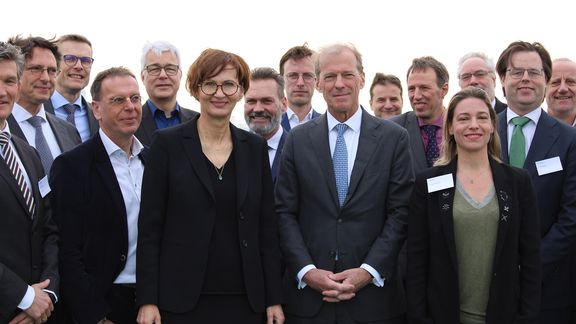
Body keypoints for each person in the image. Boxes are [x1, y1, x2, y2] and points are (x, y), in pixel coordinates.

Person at [136, 48, 284, 324]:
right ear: (195, 89)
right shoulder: (166, 144)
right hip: (181, 301)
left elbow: (266, 228)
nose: (219, 93)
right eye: (210, 84)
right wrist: (148, 299)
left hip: (246, 300)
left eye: (229, 84)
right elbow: (149, 229)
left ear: (240, 91)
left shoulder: (254, 148)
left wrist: (273, 298)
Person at [276, 42, 413, 323]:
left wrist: (367, 271)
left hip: (374, 301)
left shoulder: (394, 139)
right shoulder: (297, 140)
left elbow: (401, 212)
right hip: (309, 302)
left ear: (362, 78)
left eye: (347, 75)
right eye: (329, 76)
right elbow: (284, 212)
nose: (339, 84)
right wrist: (306, 271)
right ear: (318, 84)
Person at [406, 87, 541, 324]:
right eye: (463, 118)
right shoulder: (427, 183)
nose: (474, 125)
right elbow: (417, 259)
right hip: (444, 316)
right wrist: (420, 318)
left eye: (481, 117)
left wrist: (527, 316)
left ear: (492, 125)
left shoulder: (518, 182)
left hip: (504, 315)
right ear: (450, 127)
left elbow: (530, 257)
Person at [50, 67, 144, 323]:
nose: (130, 107)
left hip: (150, 302)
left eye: (135, 98)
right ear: (97, 109)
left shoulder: (153, 160)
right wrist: (94, 315)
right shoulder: (72, 166)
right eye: (117, 100)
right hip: (102, 303)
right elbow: (67, 250)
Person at [495, 41, 576, 324]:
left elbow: (572, 215)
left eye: (534, 72)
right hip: (485, 284)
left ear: (546, 80)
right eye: (517, 72)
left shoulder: (569, 140)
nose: (526, 79)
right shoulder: (480, 130)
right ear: (502, 80)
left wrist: (530, 264)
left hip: (549, 287)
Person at [0, 41, 58, 323]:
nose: (3, 91)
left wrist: (46, 294)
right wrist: (22, 297)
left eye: (9, 80)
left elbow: (49, 228)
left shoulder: (28, 153)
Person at [6, 35, 81, 174]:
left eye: (52, 71)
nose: (46, 78)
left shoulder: (69, 131)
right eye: (36, 69)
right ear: (16, 72)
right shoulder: (3, 129)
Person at [391, 56, 449, 172]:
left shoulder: (462, 127)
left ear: (444, 89)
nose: (416, 96)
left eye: (424, 88)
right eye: (411, 89)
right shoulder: (392, 130)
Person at [135, 40, 198, 146]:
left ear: (180, 75)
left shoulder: (198, 122)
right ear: (142, 77)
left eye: (170, 68)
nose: (163, 75)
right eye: (155, 69)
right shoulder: (130, 122)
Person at [45, 34, 99, 142]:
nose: (78, 66)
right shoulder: (36, 112)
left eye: (85, 60)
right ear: (55, 63)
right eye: (70, 59)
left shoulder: (99, 115)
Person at [244, 67, 287, 182]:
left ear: (283, 104)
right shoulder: (231, 149)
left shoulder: (299, 152)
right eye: (251, 101)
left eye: (266, 101)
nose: (258, 109)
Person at [279, 44, 321, 131]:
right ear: (281, 80)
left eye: (307, 76)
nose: (300, 83)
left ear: (316, 80)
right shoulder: (269, 128)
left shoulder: (328, 127)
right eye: (293, 76)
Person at [546, 58, 576, 126]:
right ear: (544, 89)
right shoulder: (531, 131)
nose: (563, 89)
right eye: (555, 82)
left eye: (570, 82)